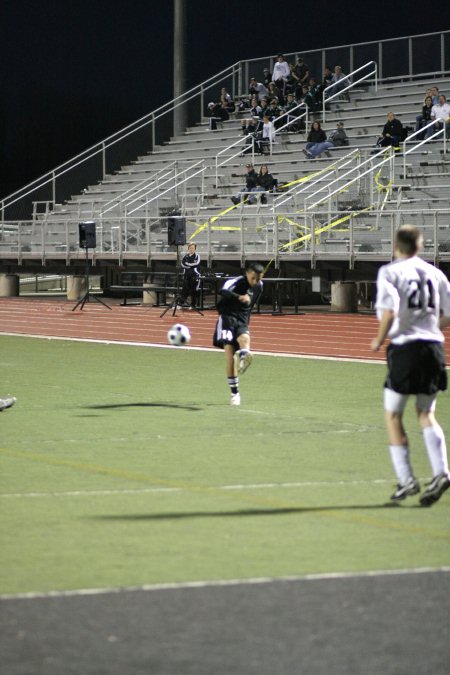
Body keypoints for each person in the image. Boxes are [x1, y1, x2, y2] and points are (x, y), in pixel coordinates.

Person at [371, 224, 450, 506]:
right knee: (426, 412)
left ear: (396, 246)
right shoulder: (436, 273)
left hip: (405, 348)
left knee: (393, 415)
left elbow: (390, 312)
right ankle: (441, 472)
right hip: (434, 348)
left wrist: (378, 340)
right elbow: (448, 315)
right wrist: (428, 327)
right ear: (420, 246)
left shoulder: (390, 272)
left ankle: (406, 480)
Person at [213, 262, 264, 405]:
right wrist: (239, 297)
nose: (255, 281)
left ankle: (245, 355)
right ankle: (234, 393)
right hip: (227, 317)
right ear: (247, 273)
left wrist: (246, 320)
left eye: (258, 279)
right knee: (230, 354)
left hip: (241, 319)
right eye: (253, 278)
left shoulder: (260, 286)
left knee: (244, 338)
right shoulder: (235, 281)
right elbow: (222, 291)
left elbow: (251, 305)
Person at [178, 243, 201, 308]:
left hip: (194, 276)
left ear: (195, 249)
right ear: (188, 249)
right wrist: (189, 265)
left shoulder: (197, 256)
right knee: (184, 290)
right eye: (190, 248)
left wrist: (187, 264)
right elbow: (182, 264)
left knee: (193, 290)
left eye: (193, 248)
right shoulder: (185, 256)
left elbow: (196, 264)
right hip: (186, 275)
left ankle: (193, 305)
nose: (191, 249)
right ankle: (180, 304)